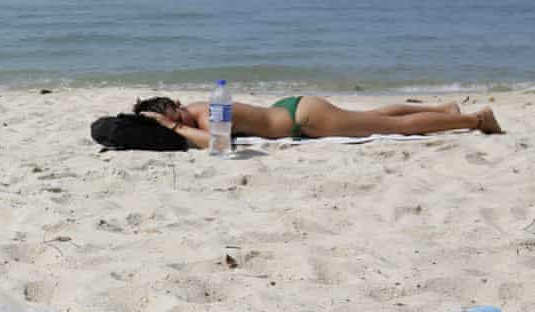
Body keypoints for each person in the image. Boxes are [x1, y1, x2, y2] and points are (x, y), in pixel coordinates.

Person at [134, 95, 503, 148]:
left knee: (391, 127)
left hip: (303, 118)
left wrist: (171, 128)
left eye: (164, 119)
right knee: (373, 116)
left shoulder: (206, 112)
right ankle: (445, 110)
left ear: (171, 110)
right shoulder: (201, 109)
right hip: (296, 111)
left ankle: (474, 119)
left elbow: (218, 143)